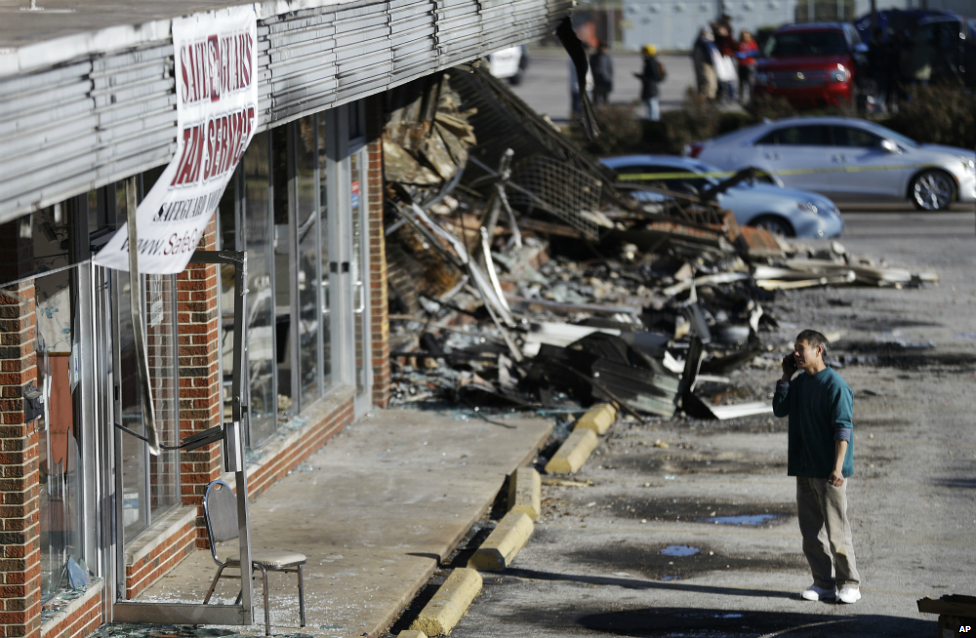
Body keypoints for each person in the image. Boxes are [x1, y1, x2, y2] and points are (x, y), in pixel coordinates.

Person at [773, 330, 861, 605]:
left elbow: (843, 429)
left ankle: (850, 584)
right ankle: (823, 582)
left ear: (818, 350)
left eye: (801, 349)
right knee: (810, 533)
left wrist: (837, 467)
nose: (796, 354)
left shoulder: (835, 385)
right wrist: (786, 377)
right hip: (805, 467)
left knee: (837, 531)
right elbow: (779, 409)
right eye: (795, 349)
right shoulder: (800, 383)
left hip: (828, 470)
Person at [636, 44, 664, 121]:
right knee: (651, 105)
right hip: (651, 88)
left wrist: (643, 77)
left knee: (652, 105)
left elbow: (654, 76)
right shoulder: (651, 61)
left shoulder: (651, 62)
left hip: (651, 88)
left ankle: (653, 121)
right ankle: (653, 120)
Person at [692, 28, 718, 100]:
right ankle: (706, 97)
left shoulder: (708, 41)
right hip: (705, 64)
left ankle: (710, 96)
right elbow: (698, 55)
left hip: (710, 64)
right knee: (707, 82)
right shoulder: (702, 41)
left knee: (711, 82)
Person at [736, 30, 759, 104]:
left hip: (750, 65)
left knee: (751, 83)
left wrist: (748, 54)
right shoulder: (739, 44)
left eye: (747, 36)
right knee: (741, 83)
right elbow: (735, 52)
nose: (745, 38)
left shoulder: (752, 43)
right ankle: (741, 98)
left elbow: (756, 52)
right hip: (741, 65)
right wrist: (738, 54)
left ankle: (752, 99)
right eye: (744, 36)